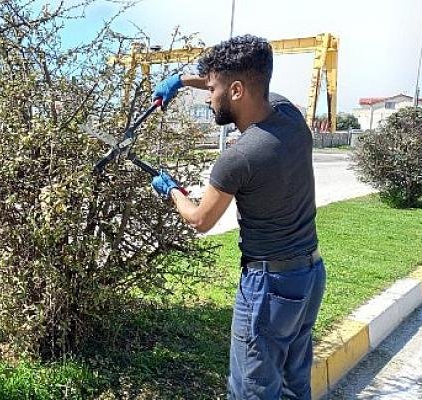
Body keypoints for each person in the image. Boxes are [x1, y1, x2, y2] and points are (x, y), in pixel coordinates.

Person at [150, 35, 326, 399]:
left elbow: (200, 219)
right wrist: (182, 81)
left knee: (252, 391)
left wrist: (171, 190)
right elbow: (238, 82)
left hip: (269, 288)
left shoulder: (240, 157)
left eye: (211, 89)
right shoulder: (290, 116)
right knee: (294, 386)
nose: (207, 96)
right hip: (308, 277)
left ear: (235, 91)